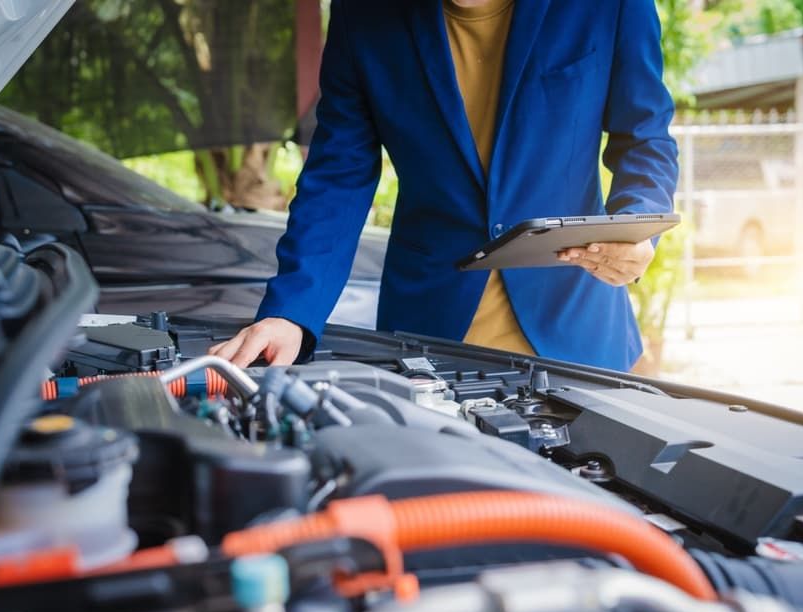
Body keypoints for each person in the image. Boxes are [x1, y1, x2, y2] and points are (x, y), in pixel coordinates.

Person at [211, 0, 678, 369]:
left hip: (579, 330)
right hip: (428, 336)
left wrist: (636, 226)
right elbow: (338, 175)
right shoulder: (362, 15)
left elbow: (644, 136)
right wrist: (291, 312)